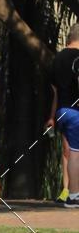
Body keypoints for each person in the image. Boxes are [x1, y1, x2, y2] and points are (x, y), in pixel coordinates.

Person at [47, 24, 79, 207]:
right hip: (76, 112)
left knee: (70, 152)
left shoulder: (56, 60)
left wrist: (52, 117)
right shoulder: (77, 57)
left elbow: (55, 92)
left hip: (61, 111)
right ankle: (74, 195)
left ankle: (71, 192)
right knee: (75, 154)